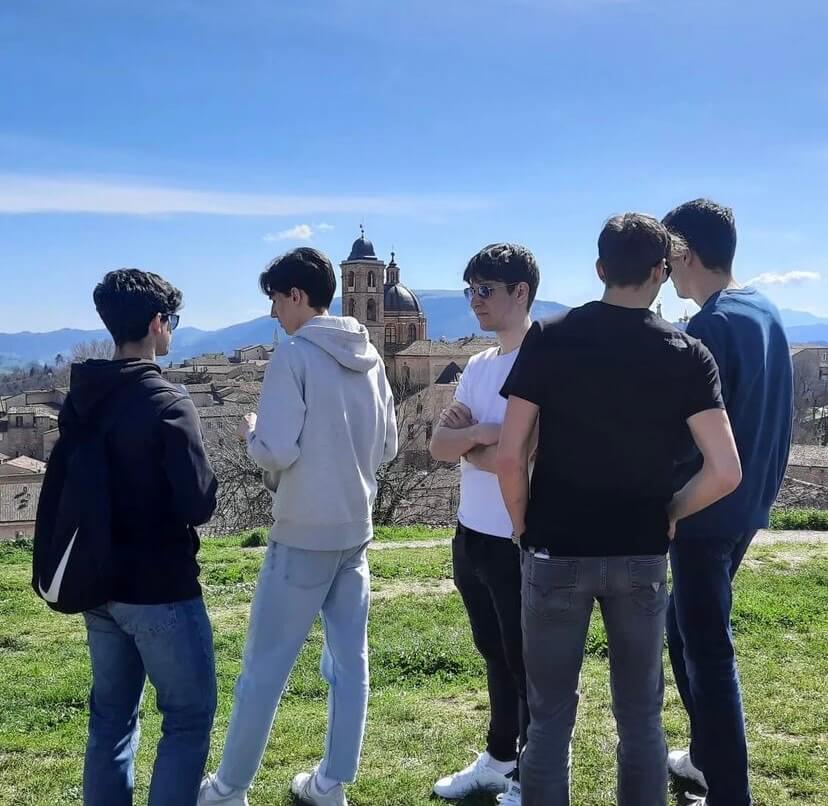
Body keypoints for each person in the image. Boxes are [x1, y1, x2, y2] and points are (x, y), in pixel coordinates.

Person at [496, 214, 743, 806]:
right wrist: (673, 510)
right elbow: (726, 471)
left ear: (600, 268)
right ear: (662, 272)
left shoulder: (549, 336)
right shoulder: (687, 352)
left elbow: (509, 455)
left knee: (549, 718)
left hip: (555, 549)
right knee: (641, 717)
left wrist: (523, 525)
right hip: (641, 552)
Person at [199, 247, 398, 806]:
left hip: (302, 533)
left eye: (275, 300)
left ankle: (229, 788)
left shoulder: (293, 356)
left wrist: (252, 435)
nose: (273, 313)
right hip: (355, 531)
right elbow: (388, 446)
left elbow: (277, 450)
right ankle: (331, 783)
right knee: (349, 664)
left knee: (264, 667)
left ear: (296, 295)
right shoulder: (371, 357)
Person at [63, 269, 218, 805]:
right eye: (171, 319)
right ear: (156, 323)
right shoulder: (169, 403)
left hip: (98, 583)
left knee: (110, 719)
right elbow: (198, 504)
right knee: (187, 719)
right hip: (160, 587)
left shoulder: (83, 396)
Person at [661, 199, 793, 806]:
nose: (665, 268)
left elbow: (684, 437)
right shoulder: (763, 309)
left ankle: (728, 791)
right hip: (746, 503)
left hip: (704, 509)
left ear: (685, 252)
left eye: (669, 254)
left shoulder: (709, 328)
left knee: (706, 648)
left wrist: (665, 502)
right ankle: (705, 757)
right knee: (684, 630)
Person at [429, 243, 539, 805]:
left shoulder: (544, 361)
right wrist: (480, 436)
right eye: (470, 289)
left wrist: (471, 440)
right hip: (470, 532)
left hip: (517, 537)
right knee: (493, 652)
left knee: (526, 662)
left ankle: (531, 774)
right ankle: (499, 757)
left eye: (486, 290)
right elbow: (438, 446)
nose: (475, 300)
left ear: (521, 292)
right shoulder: (477, 365)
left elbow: (527, 458)